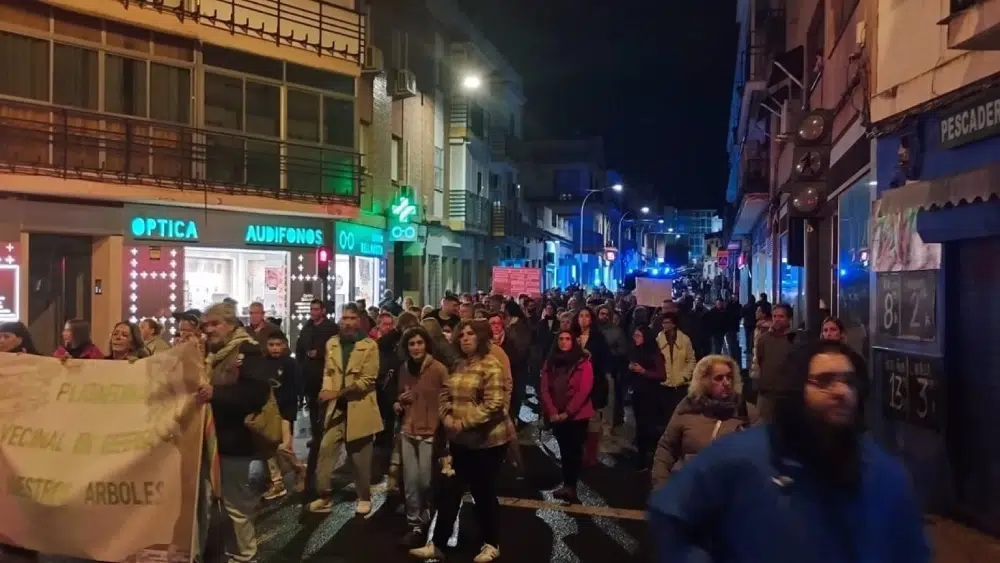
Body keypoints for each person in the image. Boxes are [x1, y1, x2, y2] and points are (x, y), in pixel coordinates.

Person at [649, 340, 929, 563]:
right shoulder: (741, 457)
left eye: (849, 381)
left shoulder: (885, 475)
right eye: (825, 381)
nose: (842, 391)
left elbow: (910, 551)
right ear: (796, 390)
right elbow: (670, 514)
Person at [410, 320, 513, 563]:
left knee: (483, 492)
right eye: (462, 334)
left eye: (470, 334)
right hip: (460, 440)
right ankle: (437, 544)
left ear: (480, 337)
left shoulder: (491, 366)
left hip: (487, 442)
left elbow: (494, 404)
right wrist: (446, 417)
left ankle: (491, 543)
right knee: (450, 492)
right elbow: (445, 394)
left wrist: (463, 423)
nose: (465, 338)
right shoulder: (458, 365)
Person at [198, 302, 271, 563]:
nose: (209, 330)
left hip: (236, 442)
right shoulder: (206, 353)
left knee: (236, 509)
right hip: (207, 441)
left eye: (215, 323)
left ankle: (244, 556)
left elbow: (254, 395)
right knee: (206, 506)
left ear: (230, 324)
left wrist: (216, 394)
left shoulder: (247, 351)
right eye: (205, 325)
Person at [308, 303, 383, 515]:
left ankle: (364, 496)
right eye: (344, 318)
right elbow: (328, 373)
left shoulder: (369, 346)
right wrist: (325, 392)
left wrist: (337, 393)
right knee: (325, 449)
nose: (347, 322)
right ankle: (324, 496)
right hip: (336, 410)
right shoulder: (332, 343)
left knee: (360, 459)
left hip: (360, 408)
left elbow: (367, 381)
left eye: (352, 318)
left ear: (359, 320)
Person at [651, 355, 750, 490]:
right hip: (690, 491)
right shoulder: (687, 409)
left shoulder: (745, 412)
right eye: (719, 378)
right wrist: (661, 490)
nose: (726, 383)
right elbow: (666, 450)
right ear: (704, 381)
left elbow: (761, 456)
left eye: (729, 377)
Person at [394, 326, 448, 547]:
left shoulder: (438, 369)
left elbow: (447, 400)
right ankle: (415, 524)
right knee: (410, 482)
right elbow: (398, 397)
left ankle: (427, 511)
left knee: (426, 481)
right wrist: (399, 402)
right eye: (411, 344)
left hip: (430, 432)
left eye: (419, 343)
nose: (415, 347)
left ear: (426, 344)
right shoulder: (404, 369)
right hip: (408, 430)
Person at [539, 329, 594, 504]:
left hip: (577, 416)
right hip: (557, 415)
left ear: (573, 342)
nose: (564, 342)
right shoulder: (551, 362)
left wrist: (567, 412)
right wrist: (553, 411)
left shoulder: (583, 362)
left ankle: (571, 486)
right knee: (564, 451)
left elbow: (583, 391)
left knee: (573, 451)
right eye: (561, 339)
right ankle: (567, 484)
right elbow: (545, 387)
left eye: (568, 339)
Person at [261, 330, 306, 501]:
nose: (274, 348)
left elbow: (298, 385)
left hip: (286, 409)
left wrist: (300, 401)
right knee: (269, 447)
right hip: (268, 411)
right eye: (271, 345)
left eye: (278, 344)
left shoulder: (291, 364)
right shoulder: (263, 363)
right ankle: (277, 482)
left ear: (285, 345)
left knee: (284, 447)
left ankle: (299, 468)